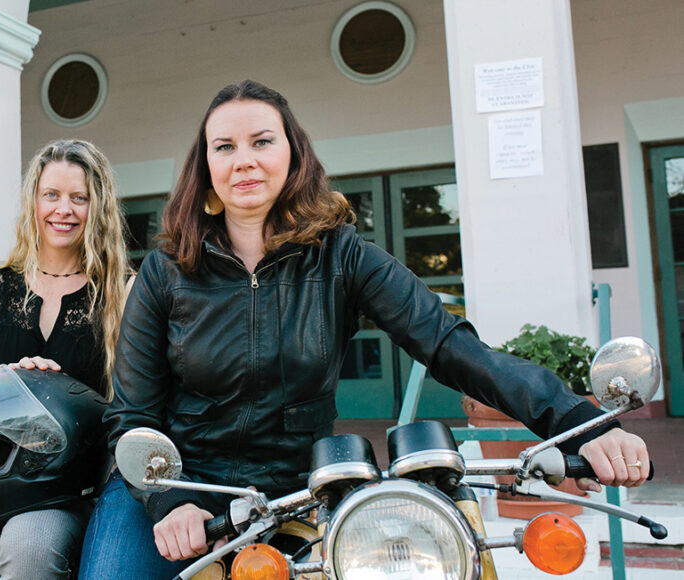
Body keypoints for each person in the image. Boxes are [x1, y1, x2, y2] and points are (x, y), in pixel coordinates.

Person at [78, 80, 651, 578]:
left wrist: (578, 423)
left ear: (293, 155)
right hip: (177, 488)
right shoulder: (164, 274)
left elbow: (449, 345)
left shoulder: (342, 257)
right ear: (205, 169)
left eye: (261, 141)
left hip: (291, 489)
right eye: (224, 147)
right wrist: (169, 501)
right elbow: (132, 414)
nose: (243, 160)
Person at [0, 139, 129, 580]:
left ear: (98, 206)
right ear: (33, 202)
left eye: (80, 197)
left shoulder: (122, 292)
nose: (64, 209)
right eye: (51, 195)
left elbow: (131, 402)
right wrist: (9, 384)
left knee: (31, 548)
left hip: (57, 488)